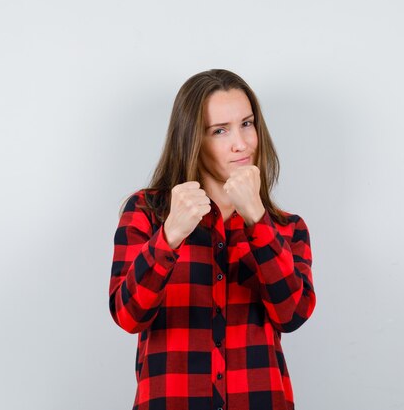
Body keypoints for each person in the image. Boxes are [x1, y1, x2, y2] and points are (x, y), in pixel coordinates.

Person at [108, 69, 316, 410]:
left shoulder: (286, 228)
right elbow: (129, 316)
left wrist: (257, 221)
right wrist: (170, 236)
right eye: (220, 130)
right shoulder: (147, 212)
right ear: (192, 139)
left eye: (247, 124)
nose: (242, 143)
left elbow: (291, 315)